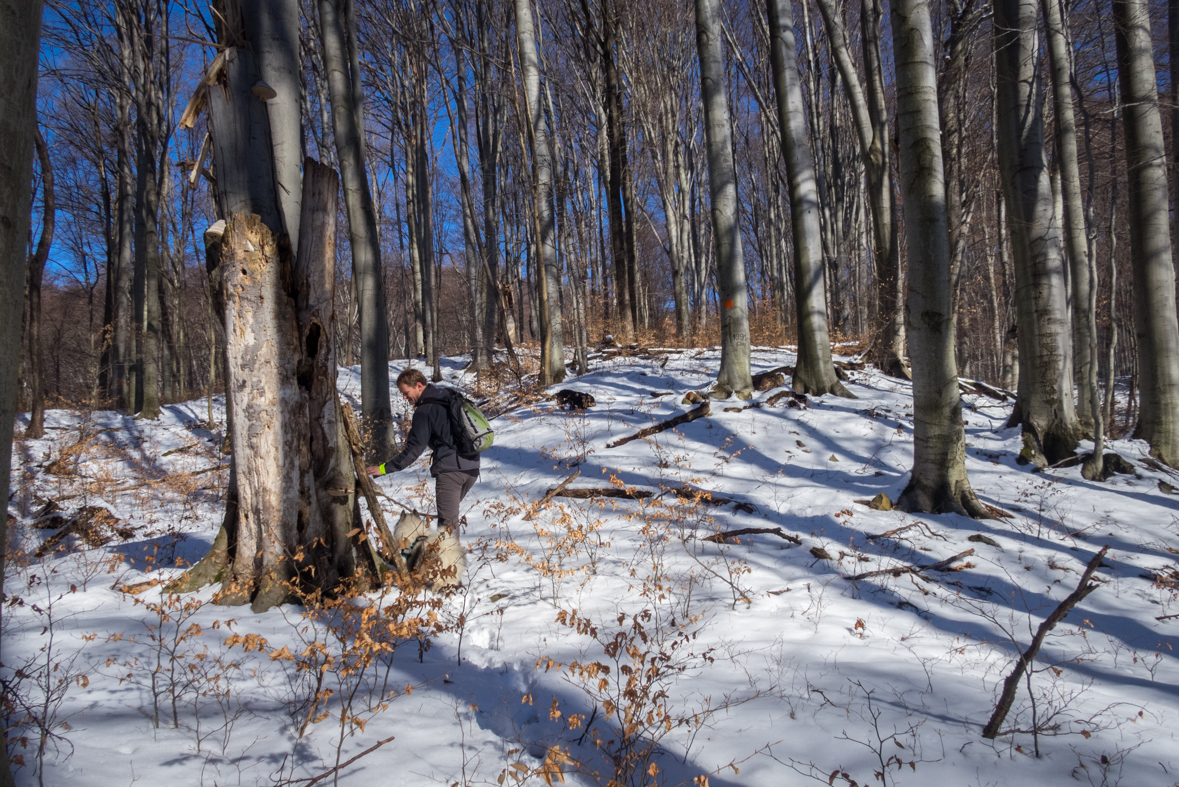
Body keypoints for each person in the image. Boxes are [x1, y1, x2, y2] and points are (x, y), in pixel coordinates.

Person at [365, 368, 479, 533]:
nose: (404, 397)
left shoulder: (425, 411)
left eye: (406, 392)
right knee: (448, 521)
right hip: (472, 467)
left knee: (447, 529)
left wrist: (383, 468)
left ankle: (449, 558)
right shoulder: (448, 395)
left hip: (451, 472)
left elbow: (414, 450)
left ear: (419, 385)